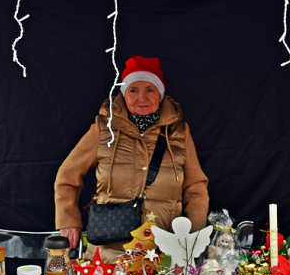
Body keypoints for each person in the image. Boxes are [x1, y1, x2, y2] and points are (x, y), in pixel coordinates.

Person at [54, 56, 209, 262]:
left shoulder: (179, 133)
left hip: (165, 256)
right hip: (110, 255)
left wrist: (191, 239)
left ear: (160, 94)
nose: (141, 98)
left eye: (150, 90)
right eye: (133, 90)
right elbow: (67, 175)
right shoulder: (103, 128)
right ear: (123, 94)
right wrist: (68, 219)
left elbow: (196, 188)